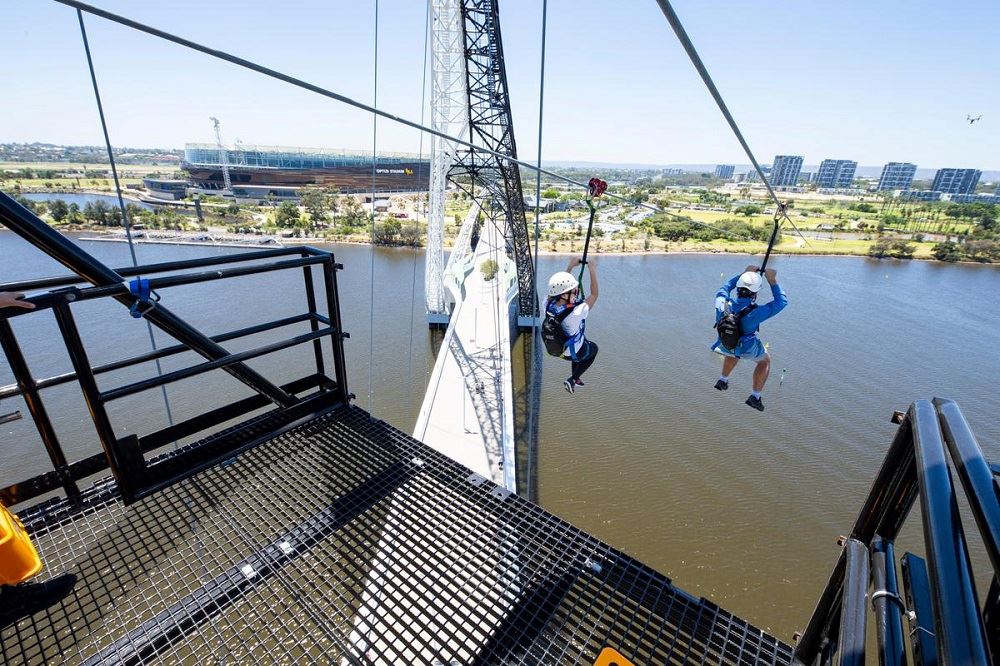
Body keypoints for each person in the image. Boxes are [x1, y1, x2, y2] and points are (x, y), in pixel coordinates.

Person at [711, 265, 787, 411]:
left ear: (738, 288)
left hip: (724, 343)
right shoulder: (756, 312)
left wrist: (744, 274)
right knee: (764, 361)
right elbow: (781, 302)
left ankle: (723, 380)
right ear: (755, 293)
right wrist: (772, 280)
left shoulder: (722, 303)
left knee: (732, 351)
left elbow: (724, 288)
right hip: (747, 346)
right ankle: (755, 396)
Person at [546, 257, 599, 394]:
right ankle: (573, 378)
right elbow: (594, 294)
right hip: (572, 351)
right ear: (563, 295)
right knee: (593, 349)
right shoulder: (577, 311)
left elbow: (557, 288)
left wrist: (570, 267)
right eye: (574, 291)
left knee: (580, 341)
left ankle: (575, 378)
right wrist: (592, 269)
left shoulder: (546, 303)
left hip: (559, 350)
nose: (576, 293)